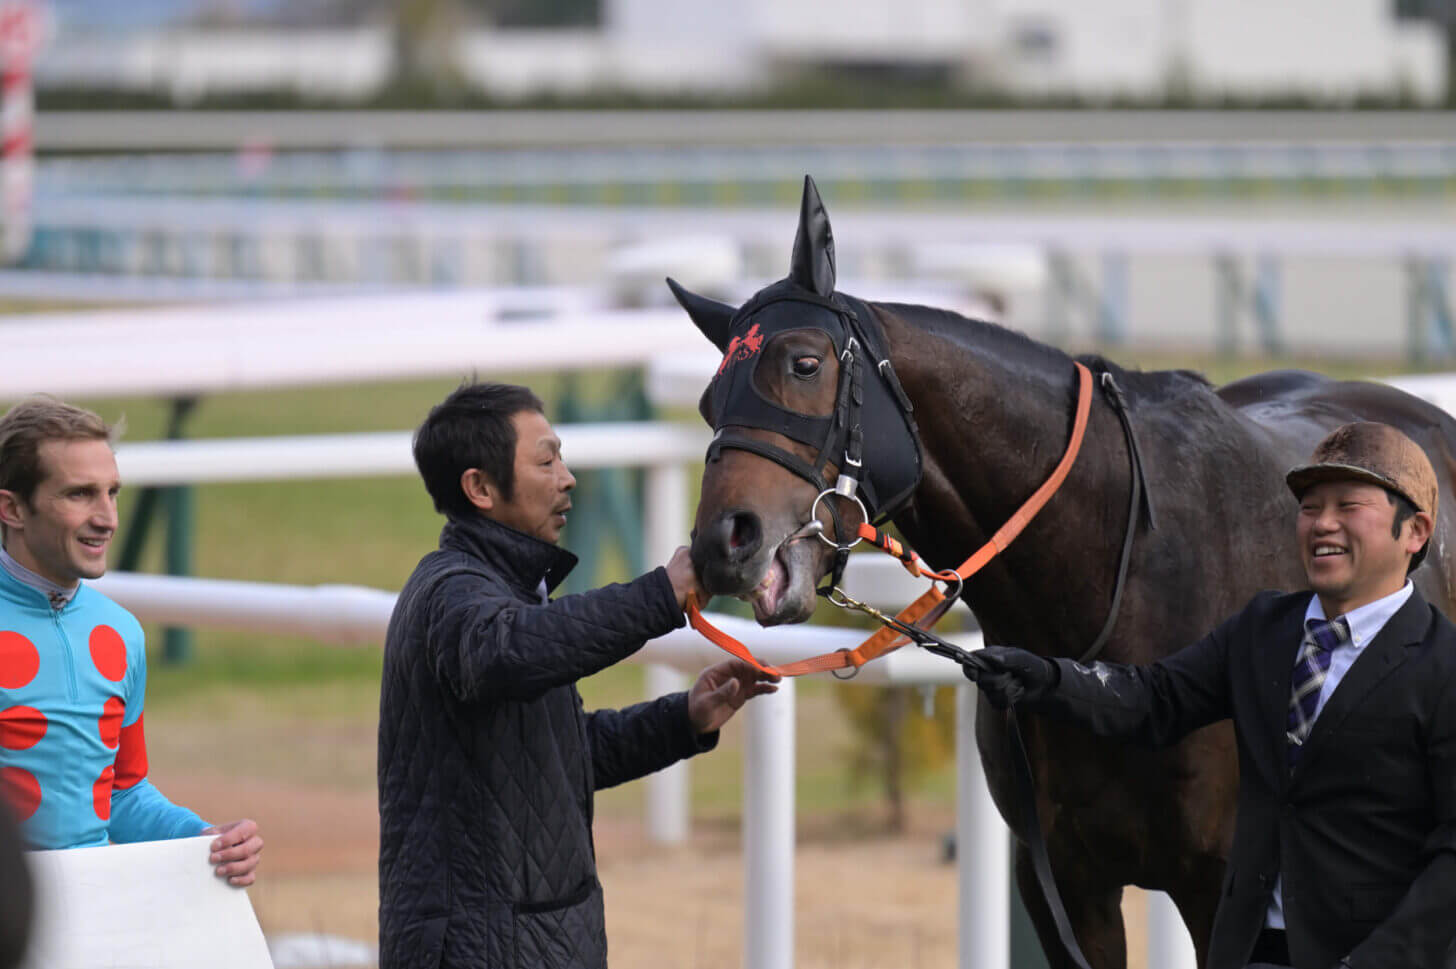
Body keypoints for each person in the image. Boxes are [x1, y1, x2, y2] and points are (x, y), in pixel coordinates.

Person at [968, 421, 1456, 969]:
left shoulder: (1444, 667)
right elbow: (1154, 699)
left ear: (1414, 531)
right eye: (1310, 507)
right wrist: (1044, 679)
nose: (1323, 523)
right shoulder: (1262, 628)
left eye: (1348, 505)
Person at [377, 382, 780, 969]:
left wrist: (683, 718)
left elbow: (559, 758)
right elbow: (508, 652)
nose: (567, 479)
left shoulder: (503, 590)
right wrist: (659, 596)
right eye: (546, 461)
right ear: (480, 488)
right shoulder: (453, 592)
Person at [0, 396, 262, 885]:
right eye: (79, 494)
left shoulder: (121, 633)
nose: (108, 518)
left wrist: (204, 837)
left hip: (93, 915)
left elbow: (122, 791)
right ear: (12, 508)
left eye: (112, 492)